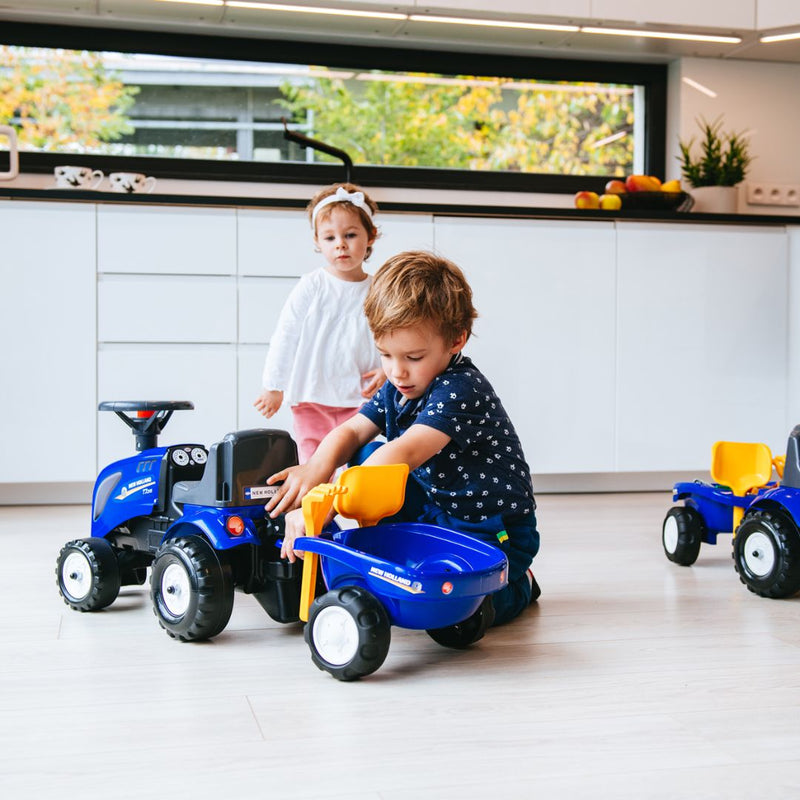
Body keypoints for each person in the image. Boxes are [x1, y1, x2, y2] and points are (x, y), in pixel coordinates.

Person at [265, 251, 541, 627]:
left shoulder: (462, 388)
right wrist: (317, 468)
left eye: (413, 356)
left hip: (489, 526)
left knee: (460, 616)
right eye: (385, 355)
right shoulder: (398, 385)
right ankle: (394, 552)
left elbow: (404, 453)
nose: (397, 372)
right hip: (435, 506)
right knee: (363, 451)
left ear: (456, 340)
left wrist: (327, 499)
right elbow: (351, 430)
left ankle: (519, 585)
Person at [254, 183, 385, 463]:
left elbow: (392, 335)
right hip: (312, 394)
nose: (340, 244)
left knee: (357, 463)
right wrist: (274, 385)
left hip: (359, 397)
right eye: (330, 238)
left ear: (371, 236)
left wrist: (386, 369)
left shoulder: (378, 289)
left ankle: (349, 507)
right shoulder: (312, 286)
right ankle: (314, 507)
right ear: (317, 241)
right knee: (313, 461)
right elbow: (286, 335)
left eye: (350, 234)